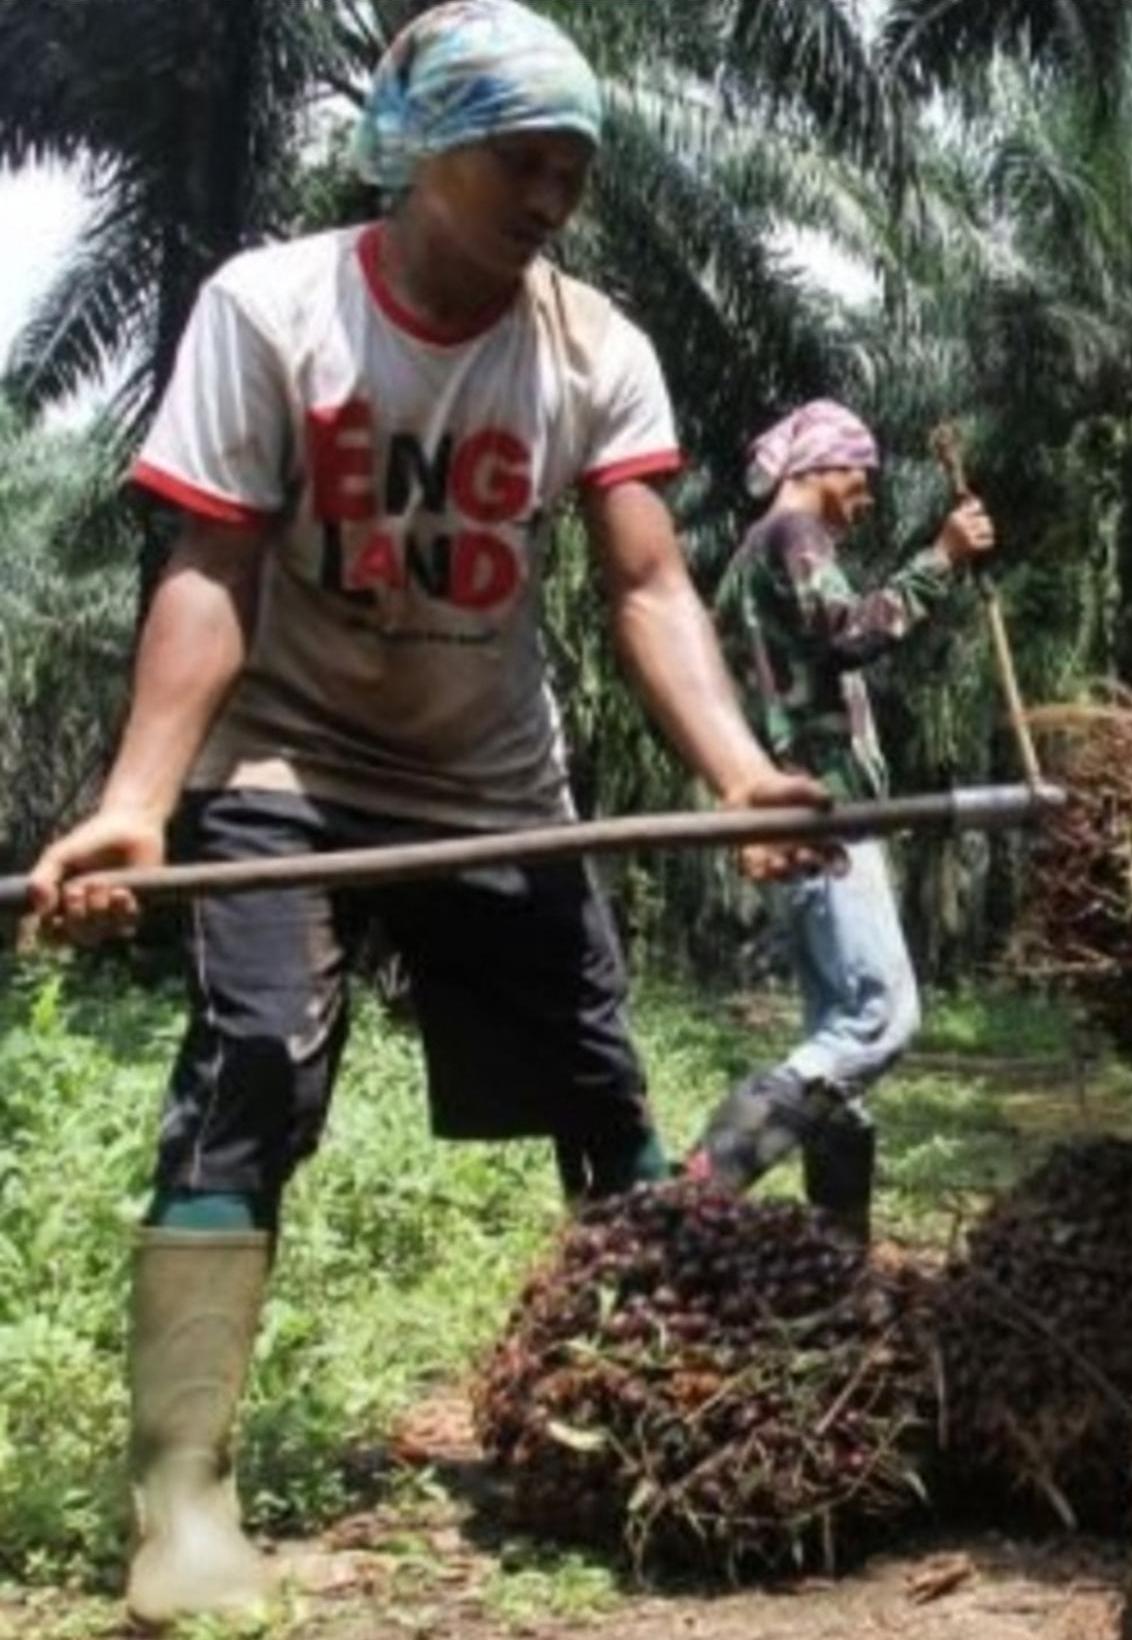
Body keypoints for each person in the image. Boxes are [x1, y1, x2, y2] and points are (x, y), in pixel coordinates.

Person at [19, 3, 823, 1623]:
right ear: (422, 152)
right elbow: (211, 569)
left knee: (603, 1088)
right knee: (249, 1067)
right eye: (519, 164)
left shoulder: (593, 347)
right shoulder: (278, 310)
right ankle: (181, 1494)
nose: (548, 202)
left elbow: (649, 585)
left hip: (491, 779)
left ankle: (654, 1414)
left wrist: (739, 774)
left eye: (572, 176)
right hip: (284, 771)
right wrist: (133, 805)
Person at [685, 400, 996, 1237]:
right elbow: (851, 634)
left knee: (835, 1037)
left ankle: (836, 1250)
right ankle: (701, 1187)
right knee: (881, 1018)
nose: (867, 494)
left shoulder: (749, 563)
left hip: (799, 811)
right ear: (819, 467)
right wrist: (942, 559)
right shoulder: (794, 538)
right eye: (860, 473)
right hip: (823, 809)